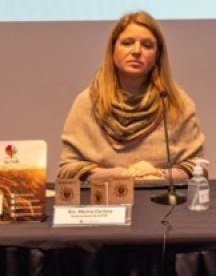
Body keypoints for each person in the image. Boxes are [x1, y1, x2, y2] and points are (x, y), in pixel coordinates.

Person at [58, 11, 206, 181]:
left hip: (162, 202)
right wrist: (117, 175)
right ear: (113, 49)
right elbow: (68, 168)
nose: (136, 51)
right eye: (127, 43)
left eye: (147, 45)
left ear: (157, 54)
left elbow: (198, 166)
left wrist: (159, 175)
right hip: (104, 203)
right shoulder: (87, 102)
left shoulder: (176, 102)